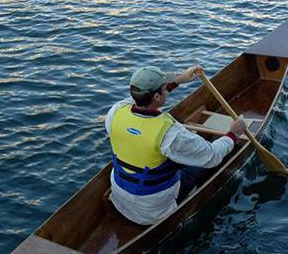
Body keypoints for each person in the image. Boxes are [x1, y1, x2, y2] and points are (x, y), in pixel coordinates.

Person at [105, 65, 246, 225]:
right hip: (153, 210)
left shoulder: (115, 112)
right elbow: (212, 156)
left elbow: (143, 100)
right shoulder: (169, 133)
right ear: (157, 96)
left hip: (120, 197)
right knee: (204, 165)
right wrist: (233, 134)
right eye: (165, 88)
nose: (167, 90)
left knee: (170, 154)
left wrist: (178, 80)